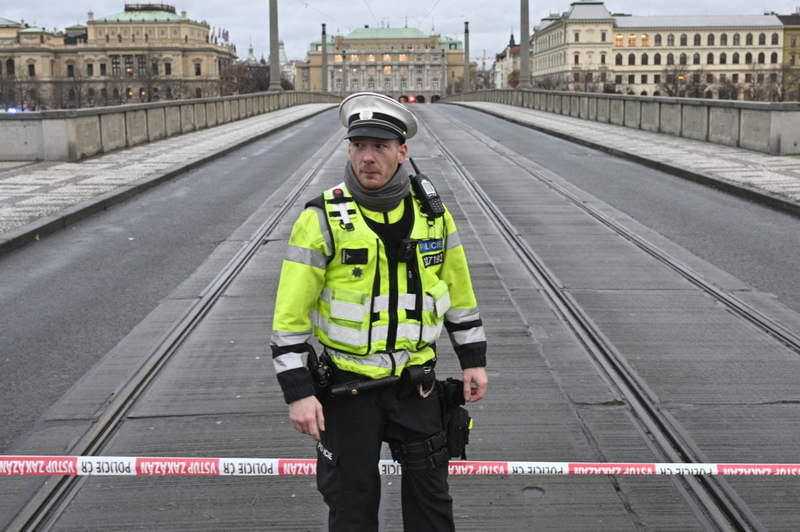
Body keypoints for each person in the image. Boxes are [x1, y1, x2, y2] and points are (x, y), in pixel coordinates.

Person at [271, 92, 488, 532]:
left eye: (380, 146)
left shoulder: (433, 216)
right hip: (348, 390)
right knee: (352, 507)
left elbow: (459, 292)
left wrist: (473, 361)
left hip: (417, 384)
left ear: (402, 151)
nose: (367, 157)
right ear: (348, 148)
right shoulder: (321, 218)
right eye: (358, 146)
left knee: (432, 506)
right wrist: (297, 391)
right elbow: (289, 317)